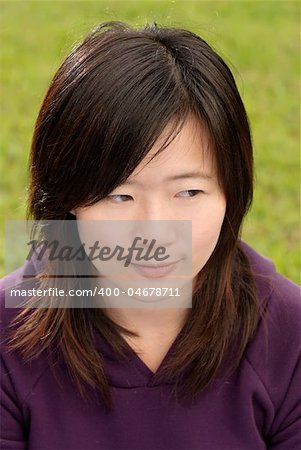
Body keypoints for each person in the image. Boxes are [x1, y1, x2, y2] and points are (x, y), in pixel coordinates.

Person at [0, 21, 300, 450]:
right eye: (120, 196)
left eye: (188, 191)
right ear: (68, 198)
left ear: (231, 192)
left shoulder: (290, 335)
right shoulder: (7, 335)